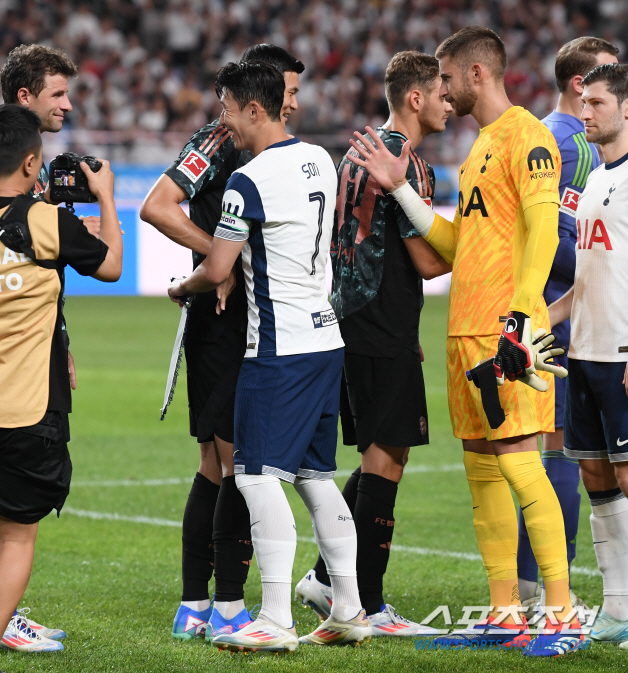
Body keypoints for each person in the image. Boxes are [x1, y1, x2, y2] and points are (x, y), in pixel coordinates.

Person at [346, 26, 583, 656]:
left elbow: (541, 230)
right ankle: (505, 610)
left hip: (506, 331)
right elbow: (456, 247)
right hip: (464, 331)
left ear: (477, 74)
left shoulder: (528, 136)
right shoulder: (478, 149)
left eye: (447, 79)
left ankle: (558, 612)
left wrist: (524, 317)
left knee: (521, 465)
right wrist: (399, 186)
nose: (442, 92)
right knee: (481, 470)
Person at [169, 61, 371, 651]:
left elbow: (218, 268)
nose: (224, 121)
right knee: (315, 476)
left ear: (253, 109)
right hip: (325, 337)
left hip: (278, 348)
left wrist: (184, 287)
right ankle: (350, 607)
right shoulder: (319, 160)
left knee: (255, 476)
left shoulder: (248, 180)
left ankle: (276, 617)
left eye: (228, 110)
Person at [0, 104, 121, 673]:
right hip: (22, 407)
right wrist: (106, 197)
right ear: (32, 161)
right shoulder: (46, 222)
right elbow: (110, 265)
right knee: (15, 536)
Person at [140, 44, 304, 640]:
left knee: (223, 463)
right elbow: (157, 206)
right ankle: (224, 602)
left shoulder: (283, 153)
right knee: (232, 463)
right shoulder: (218, 140)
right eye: (288, 89)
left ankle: (198, 602)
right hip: (220, 318)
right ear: (259, 97)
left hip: (260, 316)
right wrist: (219, 258)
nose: (295, 102)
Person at [294, 50, 450, 637]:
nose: (447, 101)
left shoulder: (355, 155)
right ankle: (369, 606)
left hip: (355, 321)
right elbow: (431, 262)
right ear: (415, 97)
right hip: (380, 325)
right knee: (387, 457)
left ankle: (324, 577)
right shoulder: (401, 162)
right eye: (439, 92)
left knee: (383, 454)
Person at [0, 43, 99, 652]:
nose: (68, 105)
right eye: (58, 95)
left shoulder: (29, 164)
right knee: (0, 494)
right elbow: (3, 262)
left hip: (18, 350)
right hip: (0, 363)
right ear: (25, 97)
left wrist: (57, 336)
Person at [516, 37, 619, 608]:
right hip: (570, 321)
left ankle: (543, 587)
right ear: (582, 86)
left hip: (550, 317)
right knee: (574, 459)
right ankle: (547, 589)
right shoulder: (574, 144)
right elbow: (565, 247)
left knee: (553, 457)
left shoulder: (535, 134)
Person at [545, 62, 628, 647]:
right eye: (583, 101)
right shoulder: (594, 181)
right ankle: (619, 606)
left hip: (623, 354)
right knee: (597, 477)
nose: (585, 110)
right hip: (585, 353)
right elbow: (590, 276)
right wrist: (540, 321)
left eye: (597, 102)